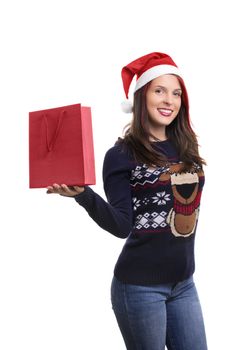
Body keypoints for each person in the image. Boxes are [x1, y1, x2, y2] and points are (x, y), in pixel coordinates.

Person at [46, 52, 208, 350]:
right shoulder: (121, 155)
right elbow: (122, 225)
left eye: (176, 93)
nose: (168, 100)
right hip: (139, 287)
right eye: (159, 90)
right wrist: (84, 196)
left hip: (184, 282)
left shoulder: (186, 146)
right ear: (141, 96)